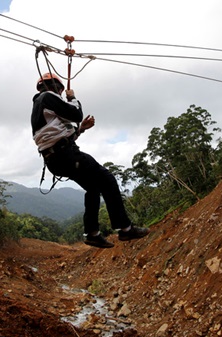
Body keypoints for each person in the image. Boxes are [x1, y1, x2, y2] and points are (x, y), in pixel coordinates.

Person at [30, 72, 150, 248]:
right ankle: (125, 228)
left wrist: (82, 129)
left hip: (56, 159)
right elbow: (76, 114)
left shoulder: (40, 108)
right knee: (107, 179)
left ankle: (92, 233)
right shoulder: (48, 97)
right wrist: (73, 98)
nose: (62, 95)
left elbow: (60, 137)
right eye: (61, 91)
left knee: (93, 188)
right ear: (57, 87)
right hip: (67, 155)